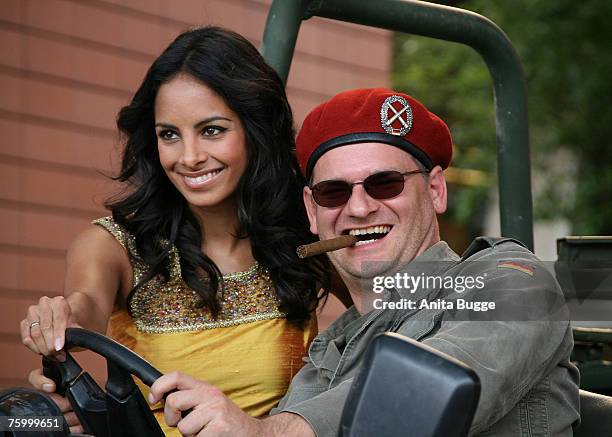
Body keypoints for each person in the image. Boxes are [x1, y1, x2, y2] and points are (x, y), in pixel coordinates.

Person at [148, 88, 580, 436]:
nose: (358, 209)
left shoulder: (511, 281)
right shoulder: (327, 353)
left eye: (385, 184)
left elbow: (428, 393)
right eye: (333, 192)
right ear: (313, 213)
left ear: (434, 191)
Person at [19, 26, 331, 435]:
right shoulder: (113, 245)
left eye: (212, 130)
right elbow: (85, 308)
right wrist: (58, 321)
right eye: (170, 134)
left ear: (256, 129)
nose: (189, 157)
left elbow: (387, 314)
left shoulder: (305, 235)